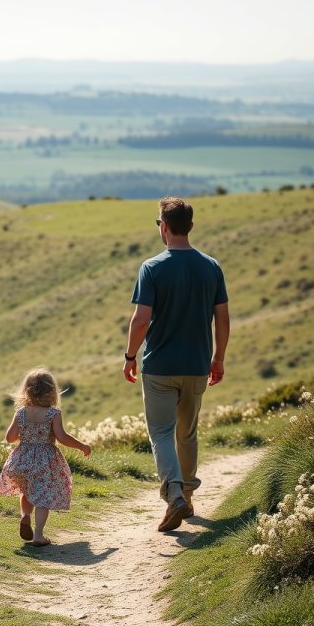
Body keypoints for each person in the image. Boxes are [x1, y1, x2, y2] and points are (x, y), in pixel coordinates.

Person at [123, 196, 229, 532]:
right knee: (187, 433)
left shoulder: (152, 268)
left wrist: (129, 356)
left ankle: (174, 495)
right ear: (191, 227)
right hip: (197, 365)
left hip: (159, 366)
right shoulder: (211, 267)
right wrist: (218, 358)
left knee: (162, 433)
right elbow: (222, 319)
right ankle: (187, 496)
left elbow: (141, 320)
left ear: (164, 227)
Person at [0, 368, 92, 546]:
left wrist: (26, 435)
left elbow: (9, 438)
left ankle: (25, 515)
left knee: (27, 491)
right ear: (51, 392)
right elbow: (62, 437)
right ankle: (39, 535)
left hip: (21, 459)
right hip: (45, 460)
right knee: (43, 497)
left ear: (27, 390)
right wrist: (82, 446)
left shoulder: (21, 412)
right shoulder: (53, 414)